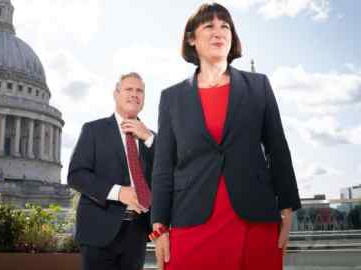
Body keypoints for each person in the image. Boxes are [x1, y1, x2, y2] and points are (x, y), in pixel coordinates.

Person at [150, 3, 301, 270]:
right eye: (209, 26)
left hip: (255, 219)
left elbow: (277, 148)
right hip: (191, 218)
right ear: (191, 39)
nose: (218, 32)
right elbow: (163, 166)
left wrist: (288, 208)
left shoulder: (259, 86)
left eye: (225, 26)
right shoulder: (171, 98)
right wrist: (159, 227)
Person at [68, 72, 155, 270]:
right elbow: (76, 175)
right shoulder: (94, 130)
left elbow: (166, 175)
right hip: (99, 230)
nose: (134, 94)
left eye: (139, 91)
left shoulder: (152, 139)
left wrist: (149, 138)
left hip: (137, 232)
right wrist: (118, 192)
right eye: (128, 89)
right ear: (116, 94)